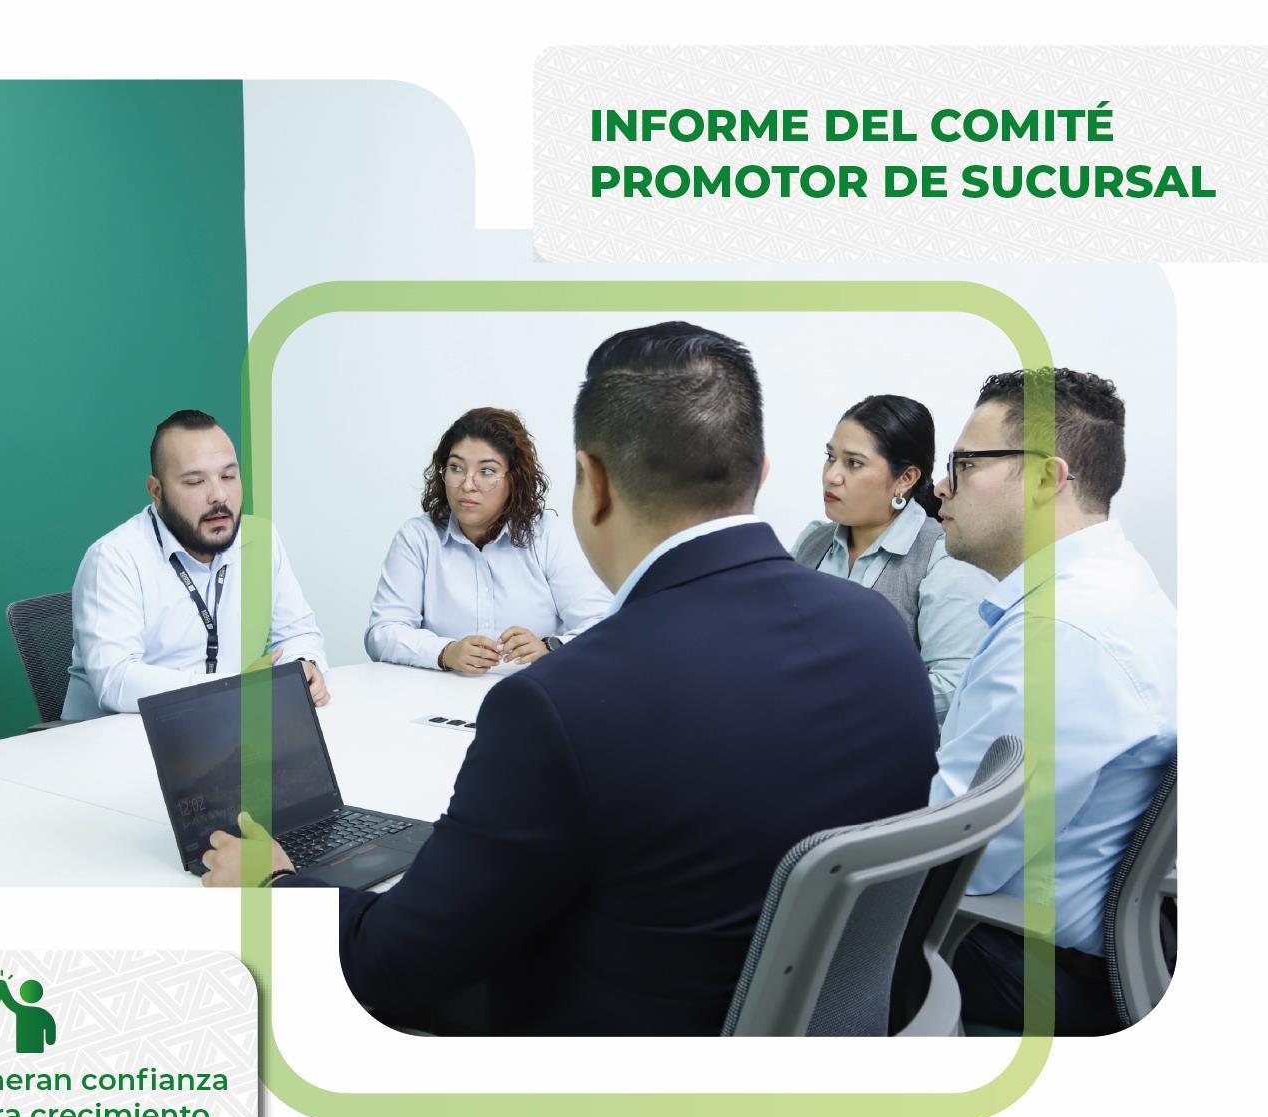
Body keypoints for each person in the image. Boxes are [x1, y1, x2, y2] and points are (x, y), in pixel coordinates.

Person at [200, 323, 939, 1038]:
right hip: (836, 1043)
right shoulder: (879, 633)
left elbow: (389, 970)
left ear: (594, 483)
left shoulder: (562, 704)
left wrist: (275, 887)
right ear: (761, 471)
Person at [930, 367, 1176, 1034]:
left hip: (1023, 961)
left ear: (1046, 478)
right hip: (1085, 949)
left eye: (963, 464)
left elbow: (950, 858)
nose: (941, 487)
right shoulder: (1118, 589)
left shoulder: (1059, 630)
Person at [61, 410, 329, 720]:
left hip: (221, 725)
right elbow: (115, 682)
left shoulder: (261, 539)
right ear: (157, 491)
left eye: (228, 477)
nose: (219, 496)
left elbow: (298, 632)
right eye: (195, 482)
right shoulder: (113, 558)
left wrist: (302, 666)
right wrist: (233, 688)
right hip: (119, 736)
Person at [790, 393, 990, 725]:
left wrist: (837, 701)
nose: (832, 476)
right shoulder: (813, 541)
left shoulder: (943, 557)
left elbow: (956, 687)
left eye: (854, 463)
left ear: (906, 479)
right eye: (830, 457)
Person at [365, 406, 611, 672]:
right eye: (456, 468)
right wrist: (446, 652)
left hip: (531, 689)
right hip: (439, 691)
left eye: (486, 471)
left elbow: (603, 626)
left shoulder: (548, 535)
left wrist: (549, 648)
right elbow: (382, 632)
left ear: (514, 479)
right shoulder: (418, 537)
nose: (467, 484)